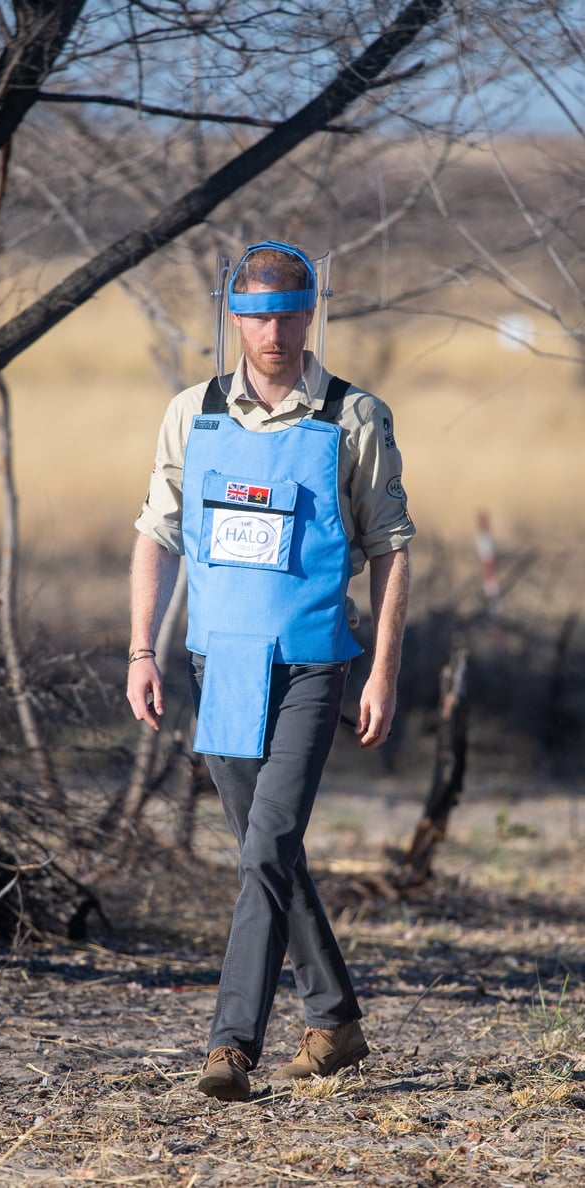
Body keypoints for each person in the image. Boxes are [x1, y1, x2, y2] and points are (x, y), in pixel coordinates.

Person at [126, 240, 414, 1102]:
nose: (275, 333)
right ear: (235, 319)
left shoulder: (353, 417)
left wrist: (385, 672)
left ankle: (231, 1047)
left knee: (268, 846)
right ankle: (336, 1023)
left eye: (291, 314)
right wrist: (142, 648)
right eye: (258, 317)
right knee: (267, 853)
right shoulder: (193, 412)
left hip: (315, 666)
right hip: (221, 666)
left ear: (311, 313)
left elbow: (393, 550)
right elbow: (157, 532)